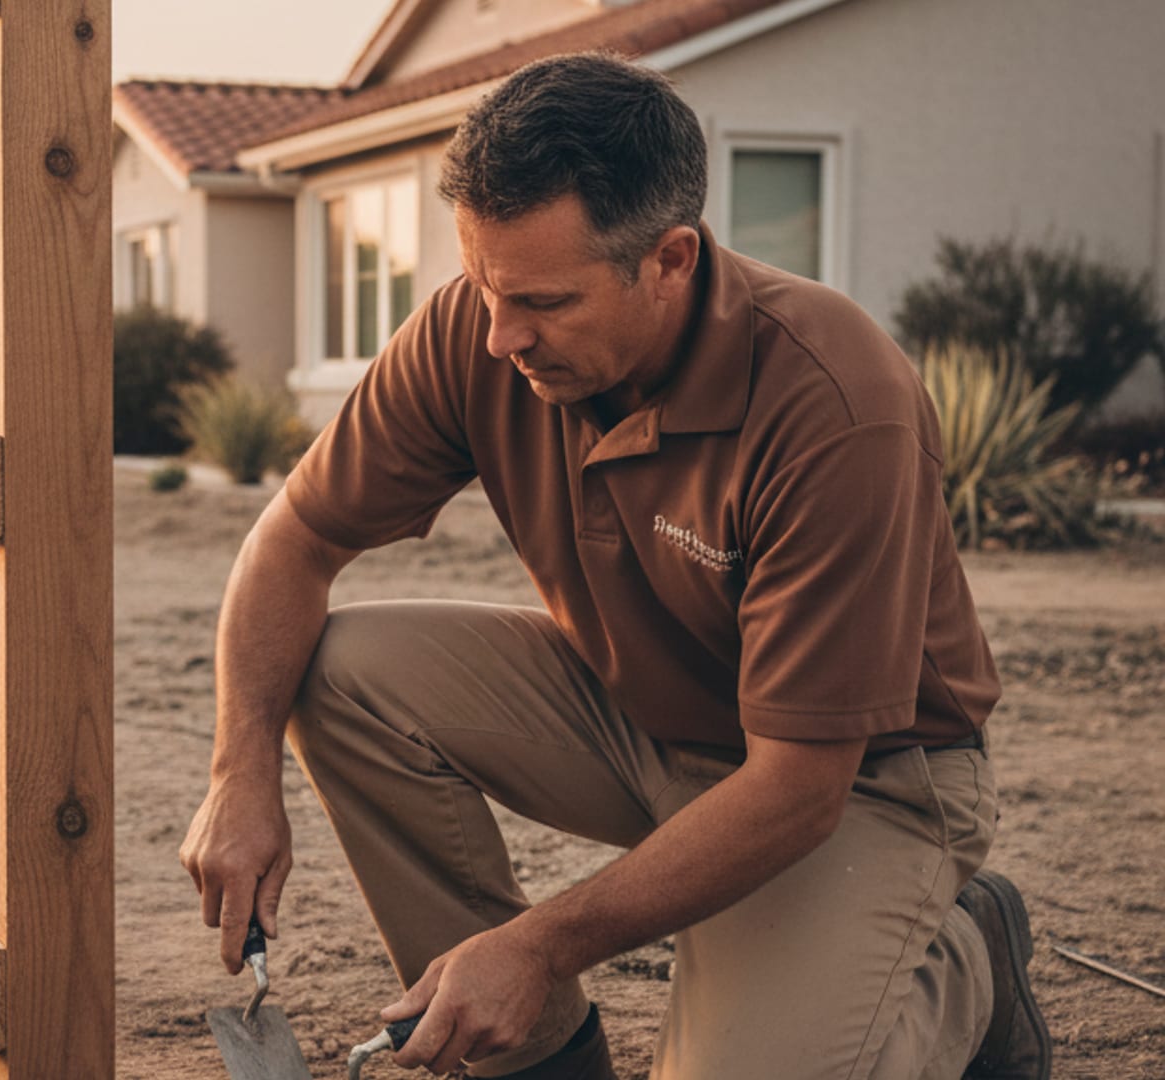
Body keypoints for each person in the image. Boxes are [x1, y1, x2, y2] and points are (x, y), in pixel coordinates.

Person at [179, 52, 1051, 1080]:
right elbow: (293, 541)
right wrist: (240, 771)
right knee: (340, 676)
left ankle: (963, 962)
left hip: (857, 784)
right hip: (647, 717)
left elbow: (798, 789)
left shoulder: (835, 404)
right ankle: (535, 1060)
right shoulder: (487, 322)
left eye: (543, 301)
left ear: (672, 260)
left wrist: (539, 944)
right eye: (482, 286)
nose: (500, 336)